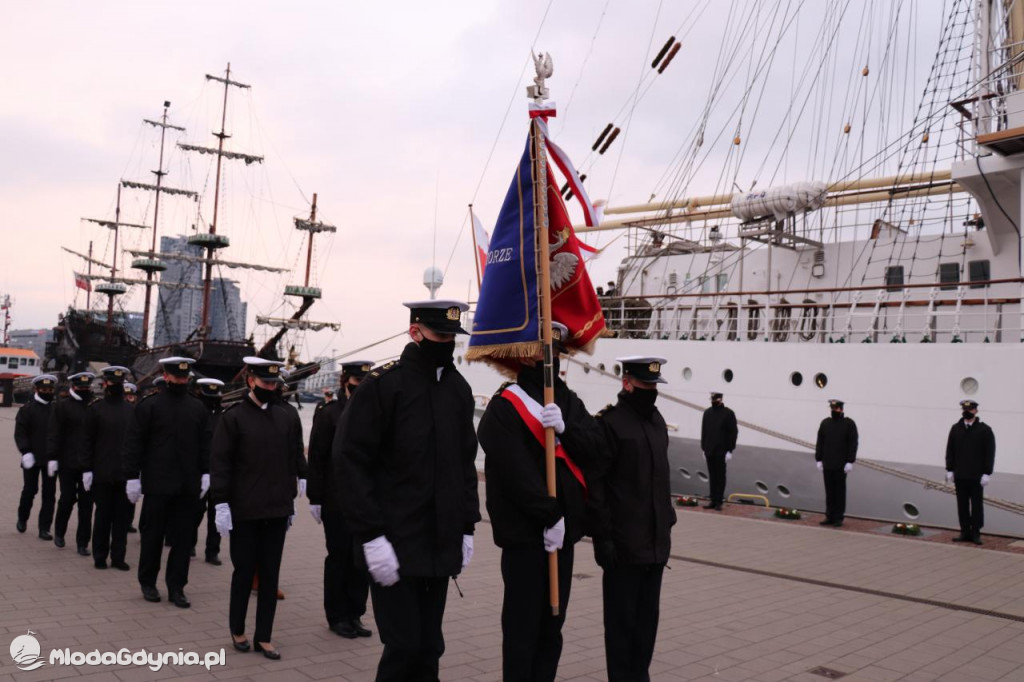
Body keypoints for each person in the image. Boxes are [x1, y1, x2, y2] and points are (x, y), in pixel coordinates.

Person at [335, 300, 480, 681]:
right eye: (439, 335)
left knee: (430, 647)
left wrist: (467, 527)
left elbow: (465, 464)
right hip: (393, 544)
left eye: (452, 336)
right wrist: (370, 536)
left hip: (440, 543)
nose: (447, 343)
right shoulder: (383, 386)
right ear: (415, 332)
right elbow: (350, 461)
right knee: (402, 648)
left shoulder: (458, 389)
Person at [477, 321, 606, 682]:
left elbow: (598, 451)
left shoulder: (568, 401)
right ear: (528, 356)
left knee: (553, 626)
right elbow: (514, 471)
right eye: (546, 351)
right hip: (526, 538)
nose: (555, 359)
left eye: (557, 353)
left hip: (562, 538)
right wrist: (549, 515)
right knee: (522, 629)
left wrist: (569, 429)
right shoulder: (506, 406)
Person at [211, 357, 307, 660]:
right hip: (244, 510)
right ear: (251, 380)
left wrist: (294, 493)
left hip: (276, 510)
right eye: (265, 383)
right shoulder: (233, 418)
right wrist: (221, 503)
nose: (270, 388)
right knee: (243, 573)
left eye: (274, 384)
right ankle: (237, 629)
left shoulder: (286, 417)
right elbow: (221, 464)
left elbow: (292, 458)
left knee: (270, 575)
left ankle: (264, 636)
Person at [590, 357, 675, 682]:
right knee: (621, 627)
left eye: (654, 386)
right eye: (645, 385)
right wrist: (603, 539)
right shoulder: (610, 424)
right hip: (623, 548)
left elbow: (659, 478)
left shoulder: (656, 421)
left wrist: (667, 520)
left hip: (654, 546)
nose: (651, 391)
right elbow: (597, 488)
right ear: (627, 383)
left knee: (646, 626)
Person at [122, 356, 211, 608]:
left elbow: (206, 443)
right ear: (166, 375)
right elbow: (133, 443)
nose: (181, 380)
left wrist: (206, 472)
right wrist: (131, 477)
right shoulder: (149, 406)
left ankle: (177, 587)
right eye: (177, 376)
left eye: (185, 377)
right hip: (157, 484)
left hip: (188, 485)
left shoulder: (197, 408)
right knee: (152, 536)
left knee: (183, 540)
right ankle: (148, 582)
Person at [308, 360, 373, 638]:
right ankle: (336, 616)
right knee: (339, 557)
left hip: (366, 499)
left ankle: (355, 613)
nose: (361, 387)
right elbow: (317, 457)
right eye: (358, 382)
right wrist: (315, 497)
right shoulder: (329, 413)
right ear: (345, 380)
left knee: (363, 559)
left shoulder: (373, 412)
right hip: (336, 498)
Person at [83, 366, 134, 570]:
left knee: (122, 519)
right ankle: (100, 555)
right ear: (105, 384)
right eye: (113, 383)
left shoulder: (132, 411)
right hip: (102, 471)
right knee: (103, 516)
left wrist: (136, 473)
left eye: (119, 384)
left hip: (124, 473)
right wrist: (87, 469)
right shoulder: (95, 409)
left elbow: (136, 443)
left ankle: (118, 556)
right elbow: (86, 440)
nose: (116, 387)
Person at [49, 371, 96, 554]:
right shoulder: (62, 407)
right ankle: (59, 532)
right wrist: (52, 457)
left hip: (89, 464)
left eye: (87, 387)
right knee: (67, 499)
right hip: (68, 462)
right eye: (80, 387)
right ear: (73, 387)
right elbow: (54, 433)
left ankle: (82, 542)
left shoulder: (94, 405)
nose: (84, 390)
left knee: (86, 504)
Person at [945, 399, 996, 545]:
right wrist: (950, 469)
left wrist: (987, 472)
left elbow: (989, 452)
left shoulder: (984, 430)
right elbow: (950, 450)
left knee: (977, 505)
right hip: (960, 475)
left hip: (976, 476)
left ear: (976, 411)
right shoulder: (956, 428)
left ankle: (976, 533)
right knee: (962, 505)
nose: (967, 411)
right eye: (965, 409)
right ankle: (965, 531)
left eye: (970, 409)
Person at [14, 374, 58, 539]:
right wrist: (25, 452)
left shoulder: (56, 409)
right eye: (44, 389)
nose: (47, 392)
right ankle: (22, 518)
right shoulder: (27, 409)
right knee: (30, 490)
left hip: (50, 458)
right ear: (36, 390)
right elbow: (20, 433)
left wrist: (57, 455)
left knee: (49, 494)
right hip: (31, 457)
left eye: (49, 389)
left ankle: (44, 528)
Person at [192, 378, 225, 565]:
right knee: (195, 512)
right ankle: (189, 544)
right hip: (198, 472)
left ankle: (212, 551)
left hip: (219, 472)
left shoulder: (225, 415)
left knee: (217, 513)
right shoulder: (196, 414)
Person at [815, 399, 858, 527]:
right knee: (829, 491)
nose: (834, 411)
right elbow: (820, 441)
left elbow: (853, 443)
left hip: (841, 464)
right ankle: (829, 515)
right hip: (827, 463)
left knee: (839, 491)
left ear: (841, 409)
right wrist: (819, 459)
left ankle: (838, 517)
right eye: (832, 409)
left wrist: (850, 461)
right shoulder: (825, 423)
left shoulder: (849, 424)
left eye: (836, 409)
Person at [700, 391, 738, 510]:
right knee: (712, 476)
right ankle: (713, 500)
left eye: (715, 399)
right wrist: (703, 448)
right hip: (709, 450)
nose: (713, 401)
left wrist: (730, 450)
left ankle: (719, 501)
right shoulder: (707, 413)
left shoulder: (728, 413)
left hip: (722, 451)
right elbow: (704, 431)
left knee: (720, 476)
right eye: (712, 399)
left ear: (720, 400)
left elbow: (733, 432)